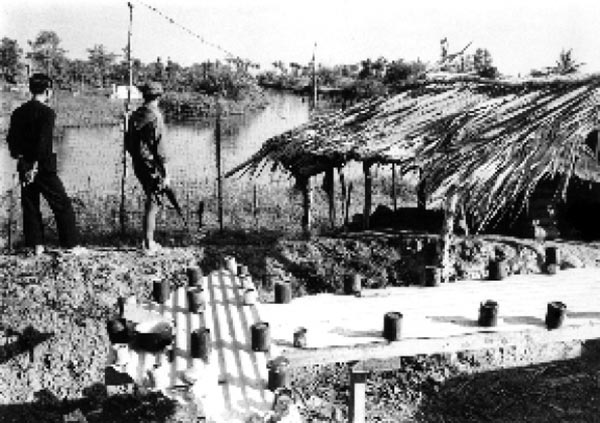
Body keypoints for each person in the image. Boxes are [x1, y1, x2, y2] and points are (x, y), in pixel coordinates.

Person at [6, 73, 84, 256]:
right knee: (62, 204)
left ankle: (36, 246)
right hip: (42, 167)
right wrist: (34, 166)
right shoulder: (47, 113)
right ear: (48, 91)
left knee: (31, 205)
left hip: (24, 164)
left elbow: (11, 141)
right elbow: (43, 143)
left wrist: (23, 161)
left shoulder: (18, 112)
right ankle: (71, 245)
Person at [126, 81, 170, 254]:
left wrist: (138, 158)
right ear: (159, 96)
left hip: (139, 162)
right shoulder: (155, 116)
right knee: (154, 202)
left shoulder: (136, 114)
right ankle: (148, 244)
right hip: (152, 165)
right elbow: (161, 148)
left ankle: (147, 241)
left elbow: (128, 143)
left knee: (152, 200)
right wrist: (166, 173)